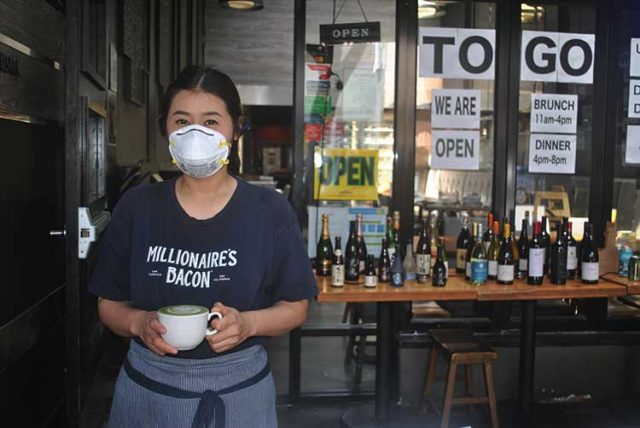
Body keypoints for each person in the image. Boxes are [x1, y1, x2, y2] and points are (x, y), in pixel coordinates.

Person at [89, 65, 317, 427]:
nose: (195, 132)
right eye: (182, 121)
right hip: (147, 394)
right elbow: (109, 304)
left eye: (211, 121)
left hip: (241, 395)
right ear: (165, 127)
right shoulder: (138, 206)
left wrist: (247, 324)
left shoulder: (269, 210)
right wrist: (139, 323)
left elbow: (295, 307)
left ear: (236, 128)